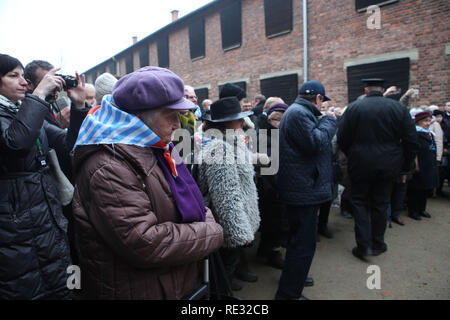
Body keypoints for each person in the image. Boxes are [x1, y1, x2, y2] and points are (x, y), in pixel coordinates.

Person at [71, 66, 223, 299]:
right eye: (170, 116)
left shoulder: (155, 146)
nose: (178, 126)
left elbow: (192, 202)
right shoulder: (108, 166)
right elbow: (144, 242)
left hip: (169, 283)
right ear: (140, 117)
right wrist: (210, 231)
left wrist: (204, 220)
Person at [0, 53, 89, 299]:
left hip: (45, 218)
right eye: (12, 76)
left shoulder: (23, 111)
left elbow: (70, 144)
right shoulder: (27, 110)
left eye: (22, 75)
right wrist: (38, 96)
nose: (23, 83)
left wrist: (79, 106)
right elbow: (15, 145)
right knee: (27, 284)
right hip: (15, 228)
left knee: (61, 279)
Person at [337, 78, 418, 260]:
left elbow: (342, 137)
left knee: (359, 202)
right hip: (389, 164)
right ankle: (377, 243)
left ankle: (364, 245)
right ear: (382, 90)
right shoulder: (398, 109)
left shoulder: (354, 108)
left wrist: (354, 153)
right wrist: (405, 164)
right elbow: (411, 140)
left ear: (366, 91)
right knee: (381, 203)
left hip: (360, 163)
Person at [275, 80, 337, 300]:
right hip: (302, 190)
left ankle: (295, 280)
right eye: (322, 101)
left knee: (300, 243)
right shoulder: (299, 113)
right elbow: (315, 142)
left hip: (302, 188)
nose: (323, 106)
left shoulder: (298, 111)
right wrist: (329, 121)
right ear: (318, 98)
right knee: (302, 245)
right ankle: (289, 294)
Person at [195, 97, 260, 292]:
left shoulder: (231, 143)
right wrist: (239, 231)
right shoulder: (220, 149)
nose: (242, 123)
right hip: (225, 225)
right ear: (224, 123)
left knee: (229, 265)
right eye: (237, 119)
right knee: (222, 269)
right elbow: (226, 197)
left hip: (231, 223)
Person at [255, 102, 290, 269]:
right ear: (269, 119)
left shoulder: (278, 134)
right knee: (274, 223)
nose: (280, 123)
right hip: (270, 189)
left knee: (273, 224)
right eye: (277, 119)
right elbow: (269, 166)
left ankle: (264, 252)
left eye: (284, 120)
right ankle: (273, 253)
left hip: (274, 187)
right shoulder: (266, 137)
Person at [406, 111, 439, 220]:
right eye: (425, 121)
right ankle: (413, 210)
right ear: (419, 122)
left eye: (429, 121)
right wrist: (415, 164)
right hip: (419, 164)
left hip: (429, 164)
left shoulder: (429, 133)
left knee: (425, 188)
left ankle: (422, 209)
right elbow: (413, 150)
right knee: (416, 189)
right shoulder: (416, 134)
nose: (428, 123)